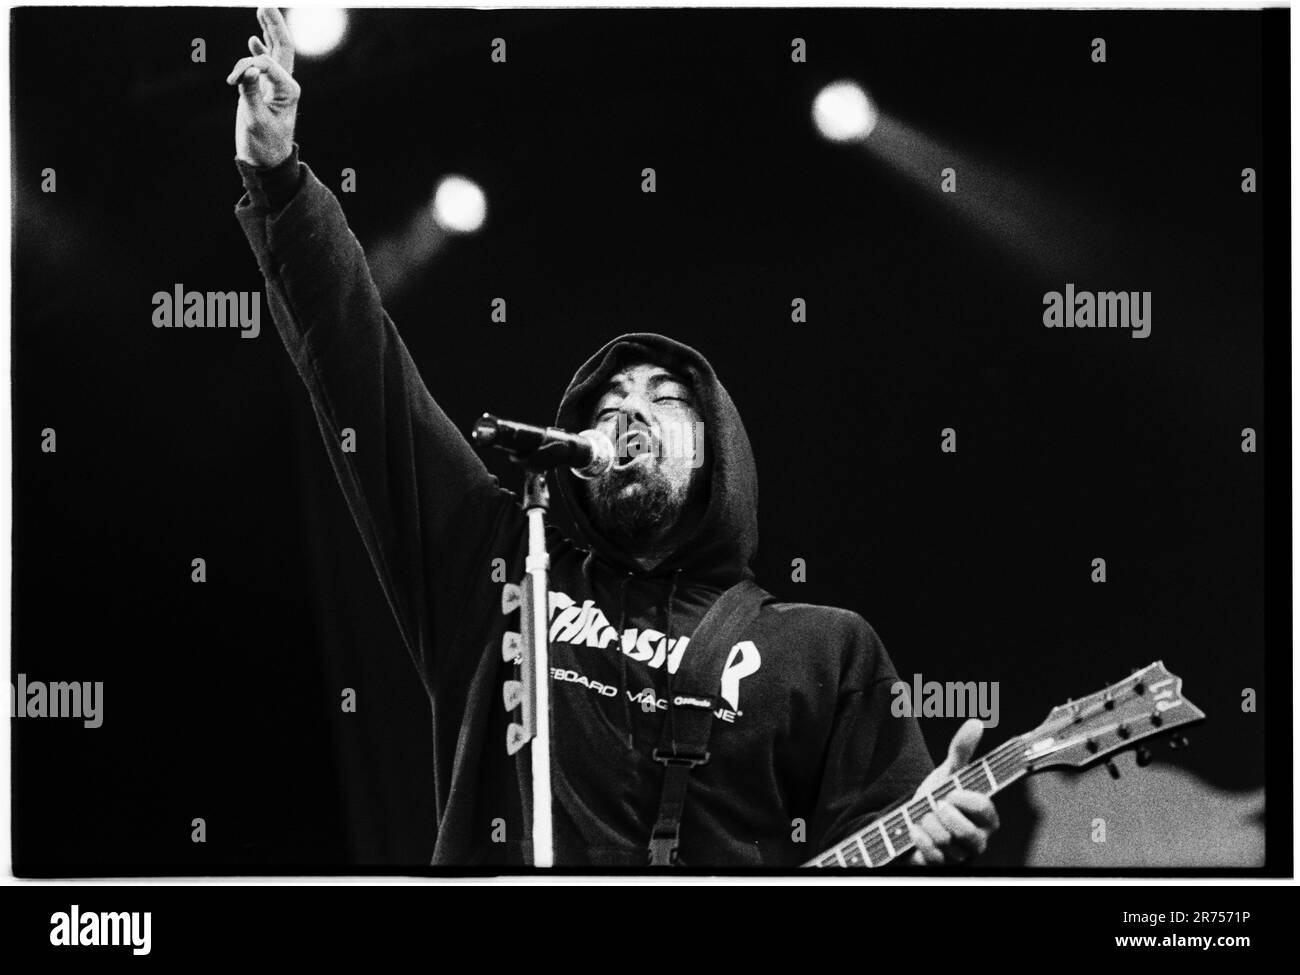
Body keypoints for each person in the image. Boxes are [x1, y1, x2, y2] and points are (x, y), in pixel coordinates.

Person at [227, 7, 999, 867]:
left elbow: (892, 840)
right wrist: (280, 181)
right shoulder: (504, 566)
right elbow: (363, 374)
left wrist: (932, 848)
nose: (629, 414)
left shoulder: (823, 648)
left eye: (666, 399)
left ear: (718, 452)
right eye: (608, 402)